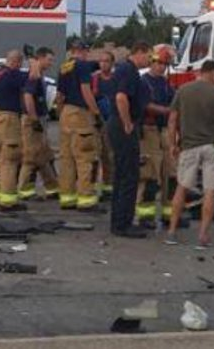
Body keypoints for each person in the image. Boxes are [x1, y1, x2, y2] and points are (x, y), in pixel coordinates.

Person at [166, 60, 214, 249]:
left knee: (182, 188)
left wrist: (172, 144)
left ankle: (171, 232)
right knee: (210, 191)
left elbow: (172, 120)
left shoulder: (183, 91)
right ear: (212, 73)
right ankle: (203, 236)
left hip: (188, 147)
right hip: (212, 148)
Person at [108, 42, 151, 238]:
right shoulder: (129, 70)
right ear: (139, 52)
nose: (149, 60)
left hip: (119, 123)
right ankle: (123, 224)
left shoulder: (124, 69)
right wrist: (127, 123)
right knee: (128, 176)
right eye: (148, 55)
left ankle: (119, 221)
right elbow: (121, 98)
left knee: (122, 173)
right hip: (123, 124)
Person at [56, 39, 103, 211]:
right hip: (80, 114)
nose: (87, 54)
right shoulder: (82, 66)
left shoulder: (64, 67)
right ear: (82, 51)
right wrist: (96, 112)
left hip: (66, 113)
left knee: (67, 158)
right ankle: (85, 198)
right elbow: (86, 90)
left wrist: (61, 113)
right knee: (85, 157)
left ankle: (67, 198)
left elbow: (60, 94)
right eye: (87, 51)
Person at [137, 44, 176, 222]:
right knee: (150, 174)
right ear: (151, 62)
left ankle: (170, 213)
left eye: (164, 64)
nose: (161, 67)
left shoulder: (165, 83)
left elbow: (174, 102)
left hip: (164, 131)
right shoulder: (143, 82)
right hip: (149, 131)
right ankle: (146, 215)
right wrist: (167, 111)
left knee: (171, 173)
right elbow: (145, 105)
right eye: (158, 63)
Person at [18, 47, 59, 200]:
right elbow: (28, 97)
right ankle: (24, 190)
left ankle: (52, 187)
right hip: (32, 120)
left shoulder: (39, 75)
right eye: (49, 59)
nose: (51, 63)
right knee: (31, 157)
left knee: (44, 155)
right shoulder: (33, 77)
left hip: (40, 118)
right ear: (40, 58)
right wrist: (34, 119)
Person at [0, 50, 28, 211]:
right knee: (10, 160)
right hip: (8, 120)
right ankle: (8, 200)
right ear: (17, 62)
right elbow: (31, 78)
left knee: (2, 159)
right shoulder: (12, 75)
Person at [92, 51, 117, 200]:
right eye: (101, 61)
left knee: (109, 157)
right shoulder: (94, 79)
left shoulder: (115, 79)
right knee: (95, 156)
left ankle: (108, 187)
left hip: (112, 122)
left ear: (112, 63)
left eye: (106, 61)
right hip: (97, 123)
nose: (103, 64)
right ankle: (91, 187)